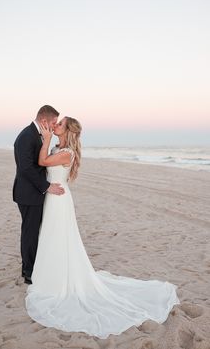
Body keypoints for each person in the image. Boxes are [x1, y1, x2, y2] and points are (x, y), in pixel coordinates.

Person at [25, 116, 180, 339]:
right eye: (56, 123)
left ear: (67, 130)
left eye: (60, 123)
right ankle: (50, 273)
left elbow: (41, 163)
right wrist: (50, 142)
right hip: (54, 197)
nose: (56, 125)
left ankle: (58, 279)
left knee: (59, 238)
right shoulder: (60, 147)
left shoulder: (66, 151)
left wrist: (46, 139)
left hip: (59, 200)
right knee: (52, 238)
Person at [13, 105, 65, 285]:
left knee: (34, 230)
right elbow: (26, 168)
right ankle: (29, 272)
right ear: (44, 121)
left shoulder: (37, 135)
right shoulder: (27, 136)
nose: (54, 125)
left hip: (33, 192)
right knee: (30, 232)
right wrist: (46, 186)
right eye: (53, 122)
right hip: (28, 193)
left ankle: (30, 267)